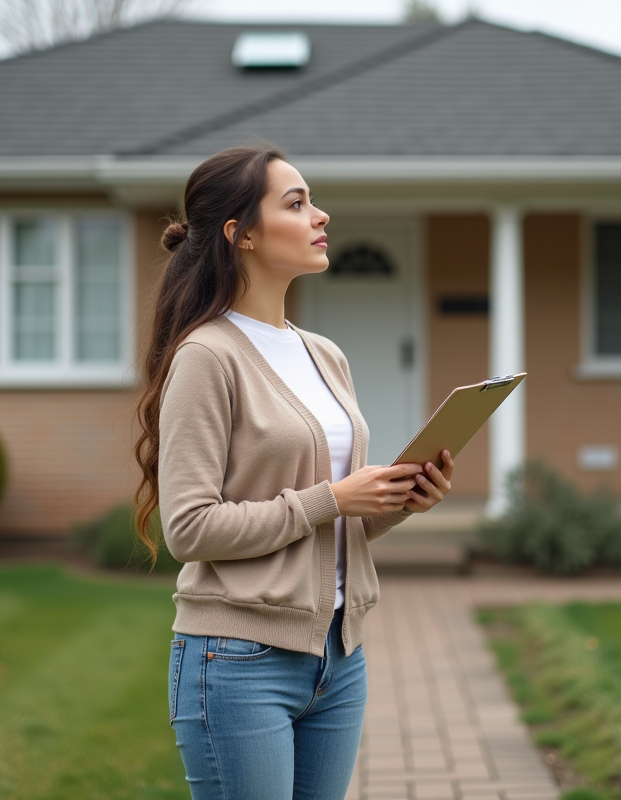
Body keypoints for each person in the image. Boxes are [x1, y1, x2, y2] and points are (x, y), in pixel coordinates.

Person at [132, 142, 455, 800]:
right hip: (237, 661)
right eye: (297, 203)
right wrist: (332, 498)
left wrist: (400, 500)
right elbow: (189, 528)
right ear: (241, 234)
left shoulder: (324, 354)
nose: (321, 215)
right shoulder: (206, 355)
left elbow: (335, 518)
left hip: (339, 656)